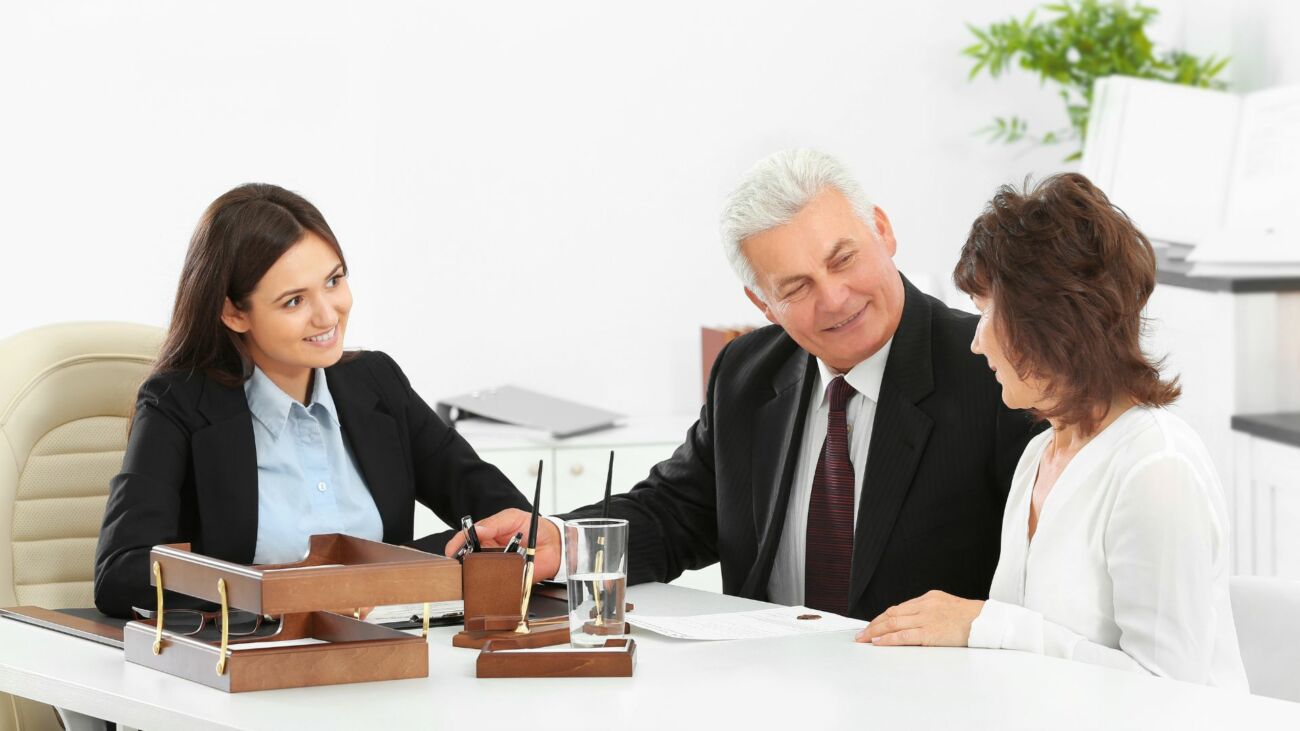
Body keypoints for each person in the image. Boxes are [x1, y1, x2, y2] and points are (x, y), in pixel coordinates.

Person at [449, 149, 1041, 620]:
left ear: (882, 231)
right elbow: (678, 512)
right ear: (762, 302)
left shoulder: (993, 370)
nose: (834, 299)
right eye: (796, 287)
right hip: (766, 692)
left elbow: (1046, 589)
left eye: (843, 260)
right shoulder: (747, 373)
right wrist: (565, 539)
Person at [858, 173, 1249, 688]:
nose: (976, 344)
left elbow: (1168, 692)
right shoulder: (1039, 455)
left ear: (1046, 322)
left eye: (986, 313)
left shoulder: (1158, 470)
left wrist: (983, 623)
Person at [94, 183, 531, 618]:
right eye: (294, 301)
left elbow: (506, 520)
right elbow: (122, 574)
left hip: (386, 655)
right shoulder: (179, 404)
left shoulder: (376, 383)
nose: (327, 315)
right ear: (234, 313)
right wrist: (293, 589)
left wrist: (376, 577)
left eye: (333, 281)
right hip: (252, 667)